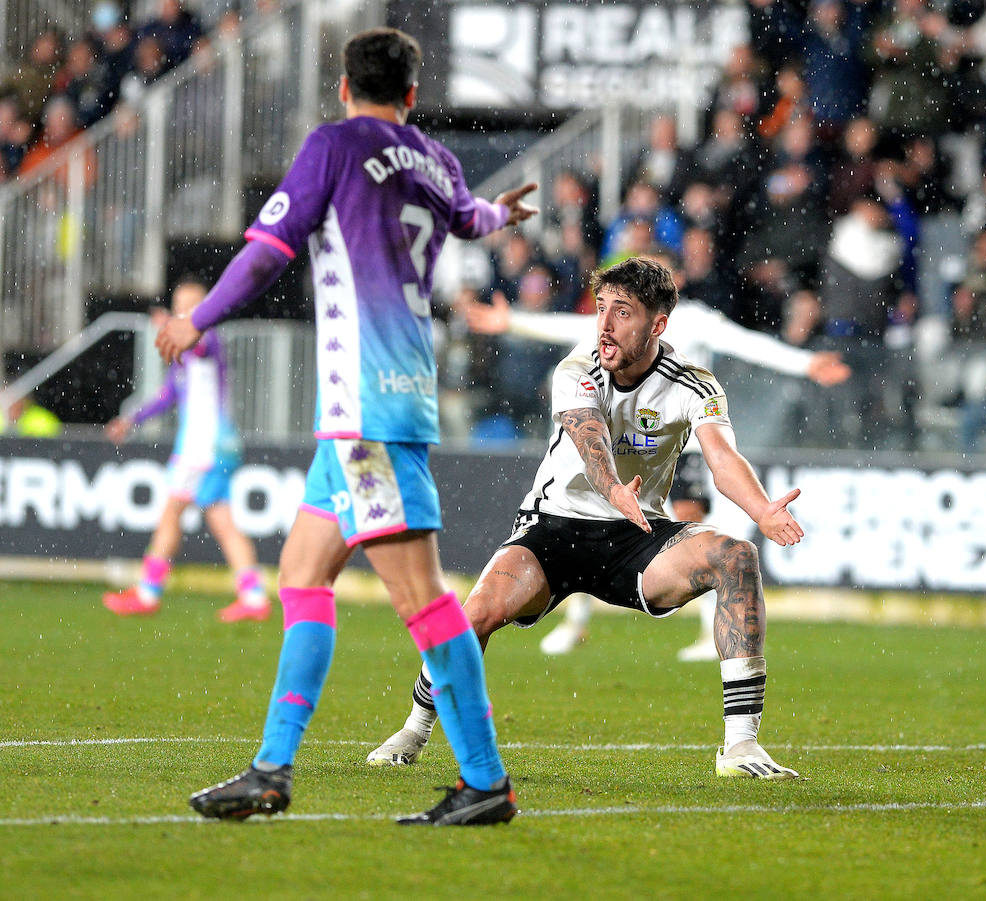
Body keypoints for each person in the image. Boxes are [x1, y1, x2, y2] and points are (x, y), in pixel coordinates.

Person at [155, 27, 537, 825]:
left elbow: (267, 250)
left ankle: (485, 782)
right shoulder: (435, 159)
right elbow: (467, 220)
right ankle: (270, 770)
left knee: (425, 602)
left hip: (367, 413)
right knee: (301, 575)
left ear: (341, 87)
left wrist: (201, 318)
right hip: (366, 414)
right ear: (410, 95)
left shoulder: (334, 145)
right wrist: (501, 214)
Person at [370, 258, 805, 779]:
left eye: (622, 313)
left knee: (736, 556)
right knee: (478, 614)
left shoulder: (696, 384)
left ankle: (740, 748)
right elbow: (588, 436)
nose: (604, 325)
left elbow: (722, 457)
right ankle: (413, 731)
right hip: (554, 528)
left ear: (658, 325)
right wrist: (614, 489)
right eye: (600, 309)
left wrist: (761, 509)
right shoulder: (578, 369)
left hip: (636, 534)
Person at [418, 283, 848, 669]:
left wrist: (805, 363)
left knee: (690, 527)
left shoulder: (694, 322)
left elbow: (748, 344)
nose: (612, 315)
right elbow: (573, 326)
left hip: (683, 447)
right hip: (616, 450)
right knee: (587, 524)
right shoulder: (605, 339)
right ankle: (579, 619)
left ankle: (705, 629)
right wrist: (514, 321)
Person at [102, 279, 268, 622]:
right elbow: (169, 395)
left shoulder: (206, 338)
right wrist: (131, 419)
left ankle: (149, 592)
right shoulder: (188, 352)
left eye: (190, 306)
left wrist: (169, 326)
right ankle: (253, 595)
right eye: (179, 305)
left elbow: (201, 349)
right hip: (214, 445)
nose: (183, 312)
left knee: (173, 512)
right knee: (220, 519)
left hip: (204, 446)